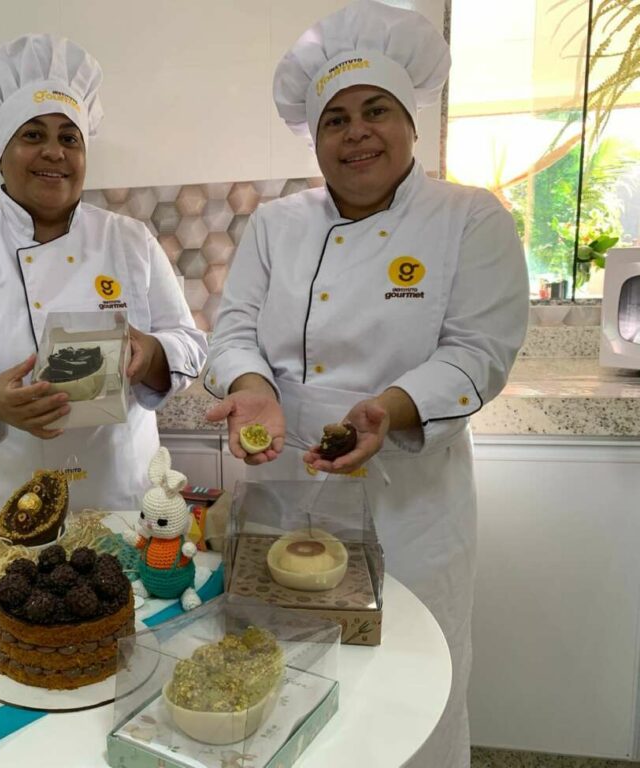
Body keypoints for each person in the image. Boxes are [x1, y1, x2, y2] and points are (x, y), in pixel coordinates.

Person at [203, 2, 528, 765]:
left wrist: (390, 407)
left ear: (410, 122)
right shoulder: (276, 224)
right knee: (286, 677)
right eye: (336, 119)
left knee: (409, 687)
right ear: (316, 139)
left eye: (375, 110)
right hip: (285, 485)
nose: (356, 133)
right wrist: (253, 386)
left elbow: (479, 351)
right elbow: (233, 330)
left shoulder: (468, 218)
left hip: (408, 504)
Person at [0, 34, 206, 538]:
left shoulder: (129, 240)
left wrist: (151, 353)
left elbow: (189, 343)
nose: (54, 152)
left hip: (114, 498)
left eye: (69, 138)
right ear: (0, 153)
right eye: (32, 135)